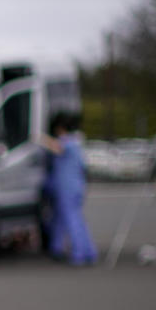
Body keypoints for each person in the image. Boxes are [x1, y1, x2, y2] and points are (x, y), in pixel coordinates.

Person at [39, 111, 97, 265]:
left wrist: (39, 138)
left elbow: (56, 147)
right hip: (75, 187)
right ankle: (65, 249)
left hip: (67, 189)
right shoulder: (77, 142)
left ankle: (79, 254)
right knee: (67, 219)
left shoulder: (68, 143)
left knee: (72, 220)